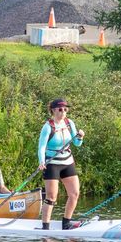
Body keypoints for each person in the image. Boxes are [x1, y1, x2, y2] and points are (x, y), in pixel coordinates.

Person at [38, 98, 86, 229]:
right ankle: (45, 227)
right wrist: (41, 162)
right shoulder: (48, 127)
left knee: (75, 194)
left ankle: (66, 223)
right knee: (51, 197)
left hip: (67, 161)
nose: (63, 111)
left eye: (65, 109)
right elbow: (41, 147)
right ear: (53, 110)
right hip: (52, 163)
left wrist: (80, 137)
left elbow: (76, 144)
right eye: (60, 109)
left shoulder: (69, 123)